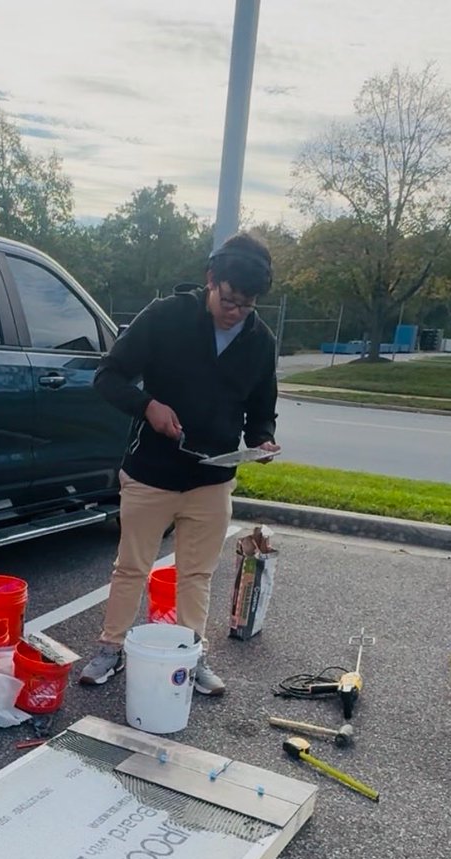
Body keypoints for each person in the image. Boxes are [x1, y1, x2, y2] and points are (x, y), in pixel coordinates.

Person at [79, 233, 281, 694]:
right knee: (132, 566)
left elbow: (260, 407)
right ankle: (111, 649)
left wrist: (263, 440)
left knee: (197, 574)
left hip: (212, 478)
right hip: (152, 471)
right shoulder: (165, 316)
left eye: (246, 305)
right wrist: (148, 405)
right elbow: (107, 377)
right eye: (228, 300)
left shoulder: (259, 340)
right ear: (211, 280)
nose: (235, 312)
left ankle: (191, 657)